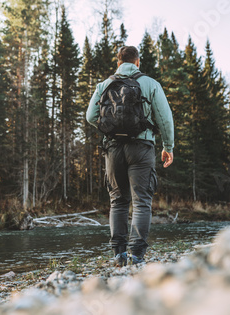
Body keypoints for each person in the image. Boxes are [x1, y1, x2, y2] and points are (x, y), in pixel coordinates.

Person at [86, 46, 174, 266]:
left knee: (118, 201)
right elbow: (165, 118)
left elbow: (90, 116)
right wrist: (168, 147)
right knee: (142, 201)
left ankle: (118, 254)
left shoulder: (104, 85)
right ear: (137, 62)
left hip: (113, 149)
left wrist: (108, 127)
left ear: (118, 63)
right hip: (141, 147)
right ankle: (136, 255)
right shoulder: (151, 84)